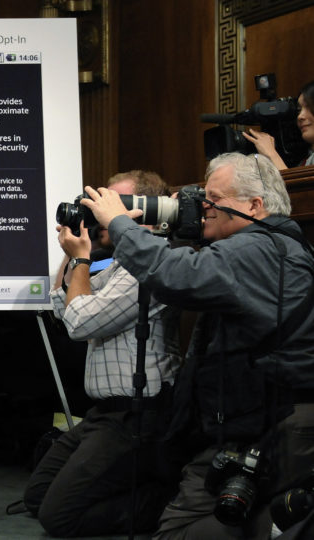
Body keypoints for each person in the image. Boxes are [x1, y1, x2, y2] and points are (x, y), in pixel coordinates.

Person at [81, 152, 314, 538]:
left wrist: (118, 223)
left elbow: (177, 274)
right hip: (271, 415)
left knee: (180, 530)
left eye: (215, 198)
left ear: (255, 205)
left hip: (269, 422)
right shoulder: (284, 246)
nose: (204, 206)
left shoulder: (255, 248)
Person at [23, 171, 182, 537]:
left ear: (147, 212)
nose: (101, 212)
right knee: (37, 497)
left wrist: (80, 261)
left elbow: (81, 324)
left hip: (136, 414)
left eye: (114, 204)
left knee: (58, 518)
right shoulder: (117, 266)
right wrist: (77, 247)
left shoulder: (153, 265)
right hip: (103, 415)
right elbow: (63, 307)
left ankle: (169, 500)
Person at [244, 80, 314, 169]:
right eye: (299, 110)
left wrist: (271, 154)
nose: (300, 116)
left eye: (309, 107)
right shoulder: (306, 158)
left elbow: (297, 183)